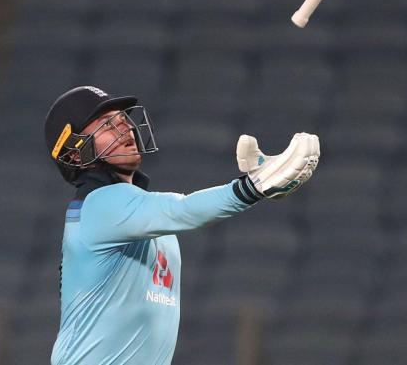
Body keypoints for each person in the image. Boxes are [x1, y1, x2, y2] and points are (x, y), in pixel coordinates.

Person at [44, 85, 320, 365]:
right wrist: (249, 189)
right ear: (76, 155)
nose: (124, 130)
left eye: (122, 120)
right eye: (106, 126)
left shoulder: (137, 213)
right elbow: (183, 208)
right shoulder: (100, 204)